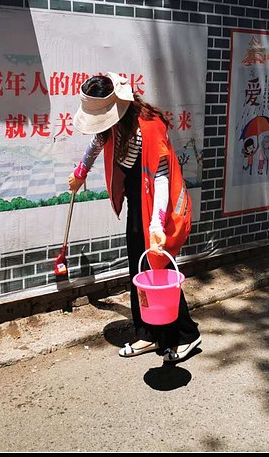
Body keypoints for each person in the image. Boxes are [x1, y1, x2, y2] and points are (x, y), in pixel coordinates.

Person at [67, 73, 202, 363]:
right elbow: (95, 145)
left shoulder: (150, 125)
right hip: (136, 204)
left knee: (158, 270)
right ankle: (147, 332)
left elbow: (162, 178)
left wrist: (156, 224)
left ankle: (186, 335)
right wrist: (80, 173)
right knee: (138, 271)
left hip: (158, 206)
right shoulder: (112, 126)